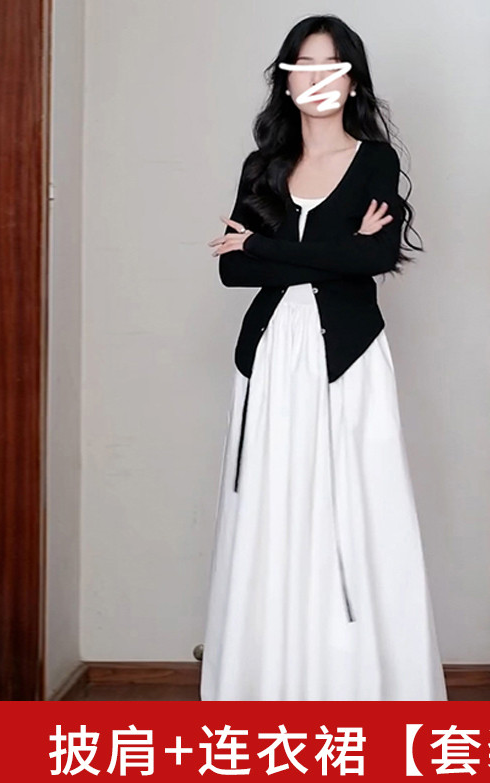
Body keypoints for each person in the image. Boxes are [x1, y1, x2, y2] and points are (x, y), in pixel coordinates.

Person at [200, 14, 447, 701]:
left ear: (352, 80)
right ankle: (269, 683)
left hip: (348, 357)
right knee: (268, 507)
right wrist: (330, 253)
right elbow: (231, 273)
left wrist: (261, 245)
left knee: (357, 505)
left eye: (331, 65)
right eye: (303, 65)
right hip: (270, 359)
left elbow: (374, 260)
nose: (317, 78)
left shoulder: (375, 161)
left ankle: (356, 683)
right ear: (285, 81)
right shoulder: (262, 167)